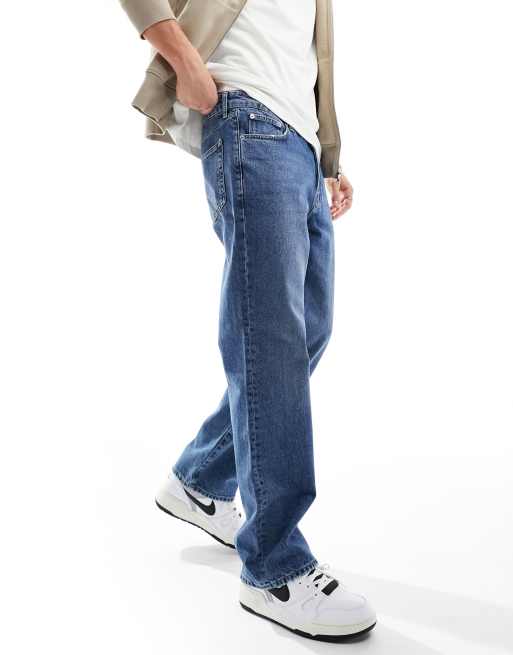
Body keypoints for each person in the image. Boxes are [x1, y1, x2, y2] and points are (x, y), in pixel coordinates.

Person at [119, 0, 376, 641]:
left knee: (307, 329)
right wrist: (186, 64)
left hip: (297, 144)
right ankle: (274, 566)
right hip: (248, 118)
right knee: (271, 339)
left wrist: (327, 157)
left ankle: (200, 480)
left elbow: (305, 55)